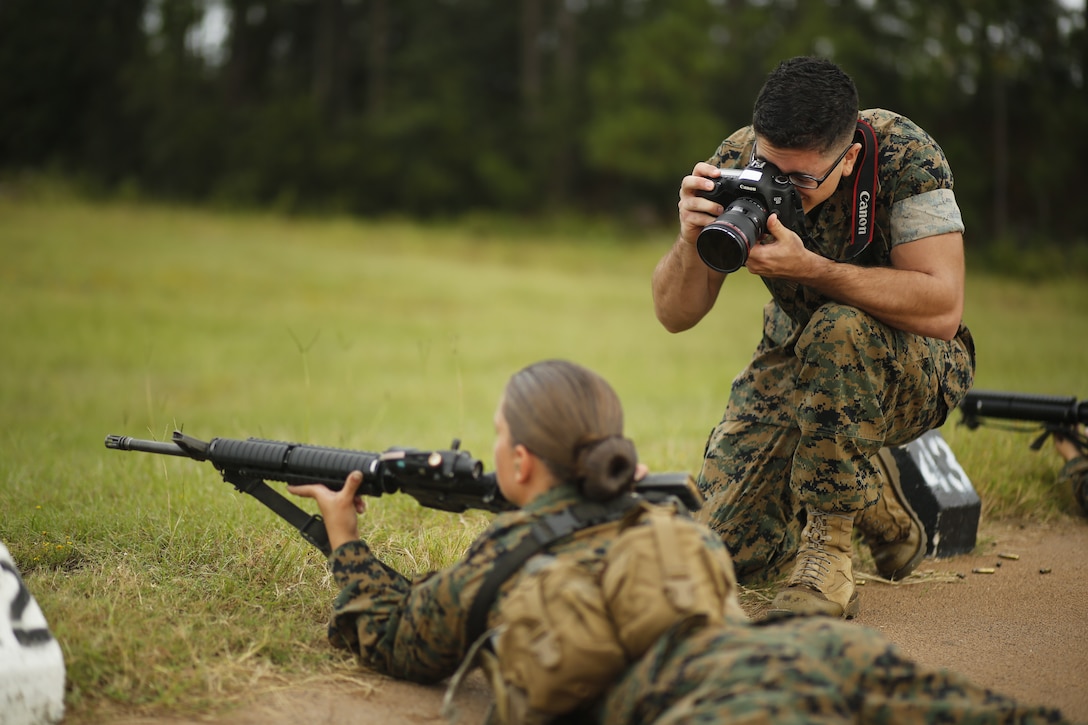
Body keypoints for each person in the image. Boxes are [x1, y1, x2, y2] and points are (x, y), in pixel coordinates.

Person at [288, 358, 1070, 724]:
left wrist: (346, 540)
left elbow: (390, 635)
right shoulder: (656, 513)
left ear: (520, 461)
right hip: (816, 653)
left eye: (498, 434)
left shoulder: (500, 558)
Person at [652, 55, 976, 618]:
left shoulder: (905, 157)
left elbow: (944, 307)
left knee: (840, 327)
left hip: (915, 365)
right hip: (792, 354)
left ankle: (827, 556)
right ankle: (871, 494)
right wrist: (689, 240)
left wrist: (815, 270)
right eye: (770, 168)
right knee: (720, 553)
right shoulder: (737, 163)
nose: (782, 189)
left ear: (848, 158)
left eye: (802, 179)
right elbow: (673, 315)